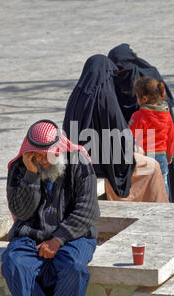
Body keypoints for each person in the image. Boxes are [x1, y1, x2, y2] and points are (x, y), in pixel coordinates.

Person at [1, 119, 100, 296]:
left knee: (74, 267)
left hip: (74, 237)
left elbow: (88, 211)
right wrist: (31, 176)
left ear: (59, 151)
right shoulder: (20, 168)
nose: (41, 161)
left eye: (46, 155)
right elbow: (22, 213)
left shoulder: (80, 163)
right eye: (36, 155)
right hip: (30, 236)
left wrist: (58, 240)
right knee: (13, 263)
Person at [63, 54, 168, 202]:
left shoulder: (75, 97)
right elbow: (120, 135)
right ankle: (160, 211)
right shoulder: (105, 96)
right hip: (104, 163)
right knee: (154, 167)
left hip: (77, 160)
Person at [108, 43, 174, 203]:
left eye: (122, 70)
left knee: (161, 186)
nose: (119, 74)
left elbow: (170, 128)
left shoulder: (149, 80)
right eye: (117, 71)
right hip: (141, 152)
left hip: (154, 148)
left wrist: (169, 150)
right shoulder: (114, 81)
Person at [130, 77, 174, 199]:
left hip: (145, 156)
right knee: (163, 182)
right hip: (161, 156)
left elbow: (132, 136)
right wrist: (170, 154)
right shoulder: (166, 114)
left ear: (144, 99)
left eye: (137, 97)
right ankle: (165, 203)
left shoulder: (139, 116)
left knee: (145, 183)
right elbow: (171, 136)